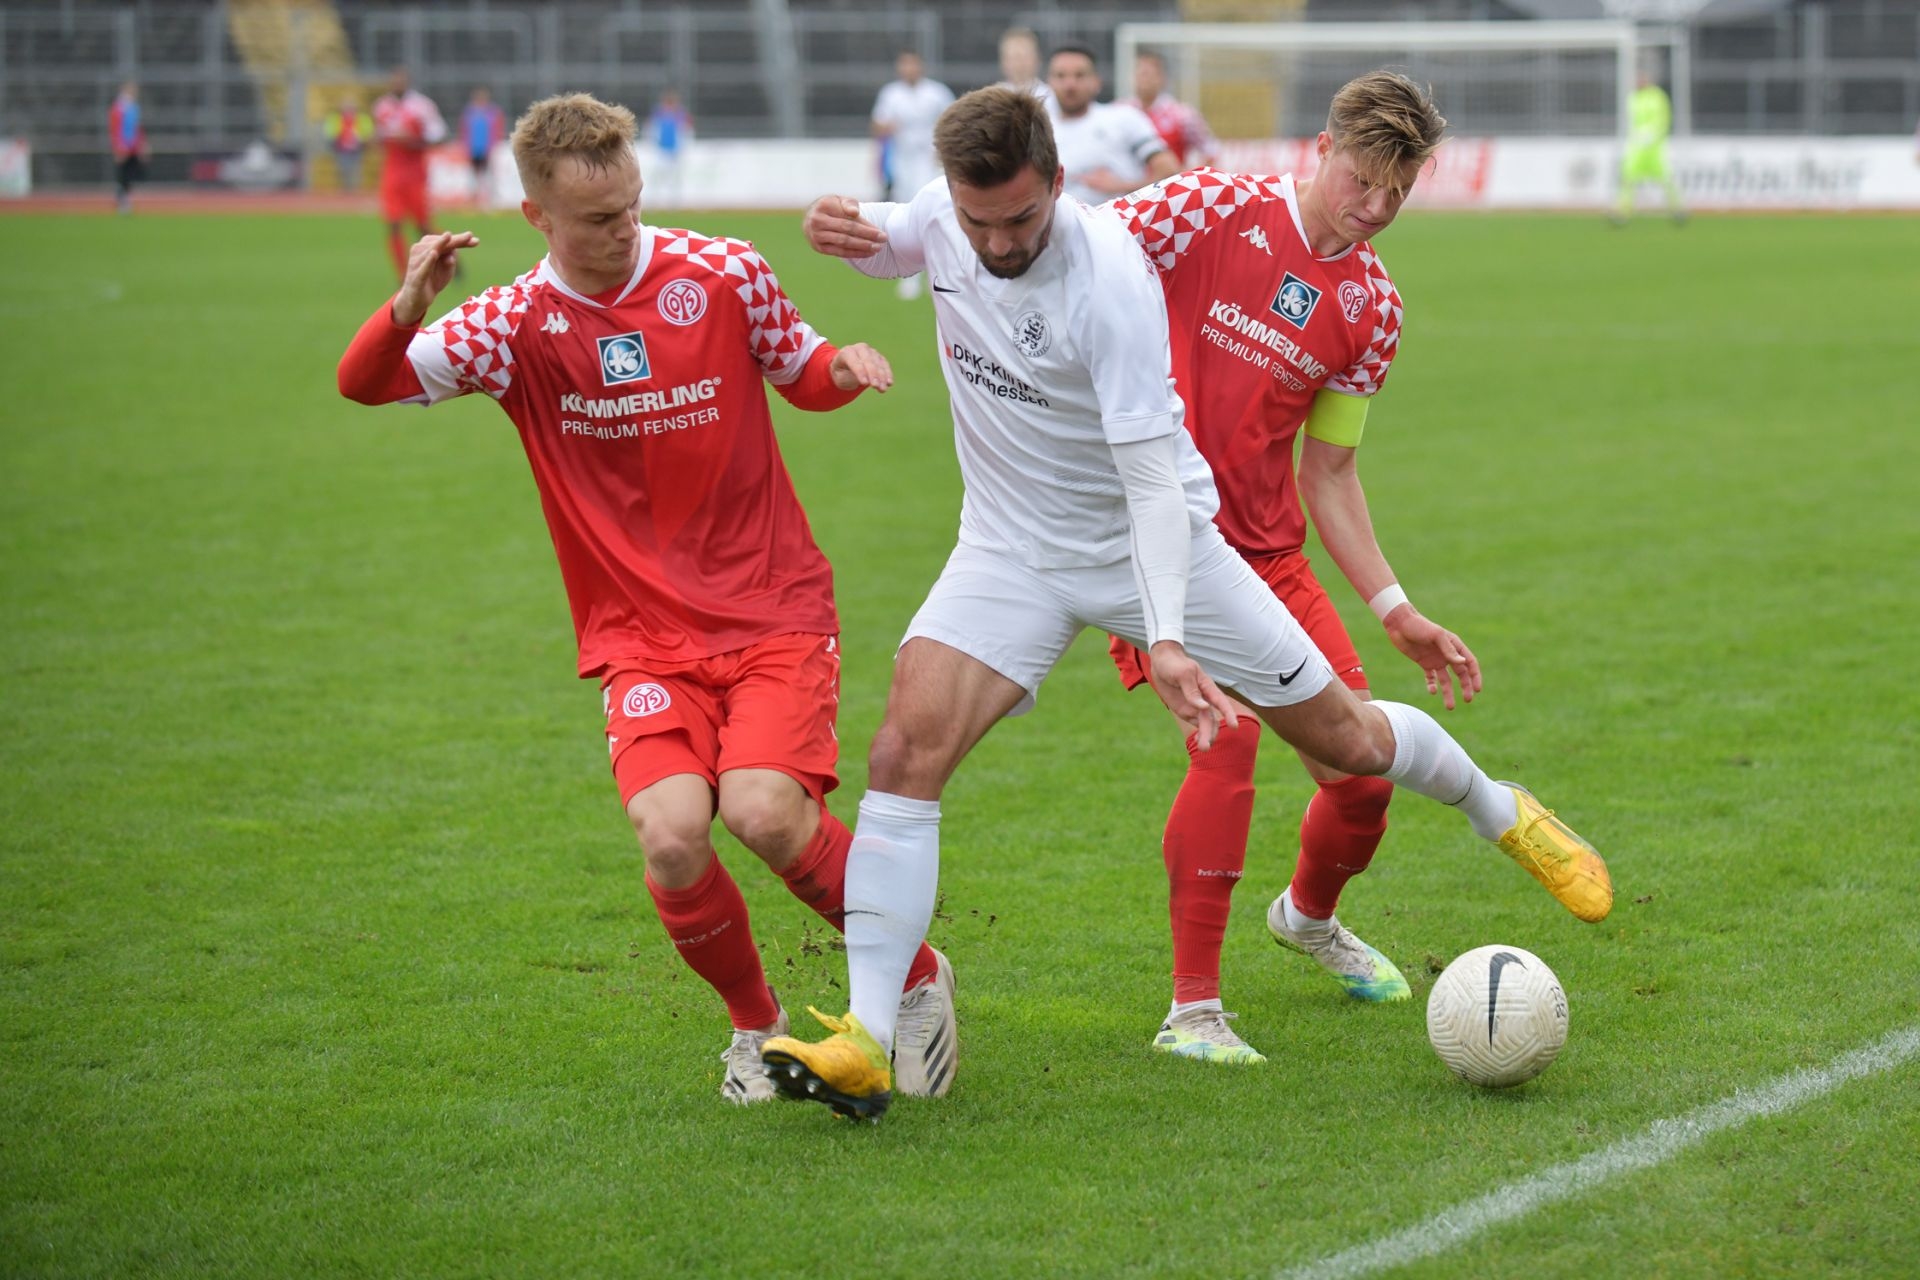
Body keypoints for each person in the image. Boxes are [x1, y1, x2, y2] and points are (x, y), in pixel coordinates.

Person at [762, 87, 1611, 1121]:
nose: (997, 242)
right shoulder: (976, 214)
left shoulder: (1116, 279)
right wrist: (847, 235)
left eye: (1020, 221)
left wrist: (1165, 634)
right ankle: (868, 1033)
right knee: (904, 754)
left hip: (1165, 542)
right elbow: (901, 239)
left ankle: (1498, 805)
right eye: (978, 220)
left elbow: (1163, 482)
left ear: (1060, 189)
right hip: (1009, 547)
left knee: (1345, 740)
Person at [334, 92, 957, 1107]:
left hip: (769, 607)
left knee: (763, 812)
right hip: (640, 637)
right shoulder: (509, 325)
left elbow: (799, 368)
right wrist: (408, 305)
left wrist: (843, 367)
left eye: (630, 204)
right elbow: (365, 384)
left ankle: (919, 974)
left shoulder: (720, 271)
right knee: (671, 835)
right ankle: (755, 1029)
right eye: (596, 217)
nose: (624, 226)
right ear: (538, 216)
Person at [1103, 72, 1610, 1067]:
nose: (1374, 208)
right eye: (1363, 181)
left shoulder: (1372, 307)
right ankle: (1192, 1011)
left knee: (1364, 775)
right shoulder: (1208, 204)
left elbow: (1330, 470)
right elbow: (1073, 260)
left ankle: (1305, 916)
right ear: (1323, 145)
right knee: (1228, 739)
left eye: (1398, 193)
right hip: (1149, 537)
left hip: (1268, 554)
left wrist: (1394, 605)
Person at [1046, 45, 1178, 205]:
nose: (1070, 84)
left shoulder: (1123, 117)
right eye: (1061, 76)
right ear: (1049, 82)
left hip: (1118, 226)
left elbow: (1169, 172)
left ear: (1096, 82)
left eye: (1079, 75)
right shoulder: (1037, 130)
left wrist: (1122, 187)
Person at [870, 51, 954, 300]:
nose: (909, 69)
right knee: (903, 215)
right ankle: (910, 275)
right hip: (902, 162)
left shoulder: (937, 93)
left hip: (929, 163)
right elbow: (877, 125)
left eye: (912, 64)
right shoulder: (891, 94)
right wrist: (886, 128)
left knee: (930, 213)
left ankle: (937, 271)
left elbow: (954, 119)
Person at [371, 68, 448, 279]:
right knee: (394, 224)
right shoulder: (382, 107)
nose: (397, 83)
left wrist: (414, 141)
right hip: (392, 171)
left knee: (423, 226)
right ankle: (403, 275)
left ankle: (450, 258)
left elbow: (439, 134)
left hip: (415, 172)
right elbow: (379, 136)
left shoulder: (421, 107)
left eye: (400, 80)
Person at [1123, 50, 1219, 169]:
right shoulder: (1120, 111)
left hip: (1168, 185)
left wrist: (1189, 178)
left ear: (1162, 78)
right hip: (1131, 187)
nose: (1144, 80)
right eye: (1140, 73)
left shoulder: (1182, 114)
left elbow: (1211, 150)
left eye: (1148, 74)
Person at [1614, 71, 1686, 226]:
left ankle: (1677, 210)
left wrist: (1653, 134)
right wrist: (1636, 138)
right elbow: (1631, 122)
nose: (1638, 82)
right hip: (1637, 149)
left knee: (1666, 178)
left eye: (1641, 79)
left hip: (1655, 148)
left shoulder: (1657, 96)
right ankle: (1623, 213)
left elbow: (1664, 118)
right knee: (1627, 178)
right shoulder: (1632, 98)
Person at [460, 86, 506, 211]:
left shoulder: (493, 112)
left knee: (489, 176)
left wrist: (495, 145)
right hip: (474, 149)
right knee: (474, 177)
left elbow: (498, 129)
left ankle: (490, 203)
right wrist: (465, 146)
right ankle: (473, 202)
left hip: (488, 149)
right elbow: (464, 131)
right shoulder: (469, 112)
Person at [646, 90, 693, 209]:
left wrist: (682, 148)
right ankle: (653, 201)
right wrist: (653, 144)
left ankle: (674, 202)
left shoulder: (680, 115)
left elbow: (686, 131)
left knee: (675, 177)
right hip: (661, 150)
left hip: (674, 151)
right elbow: (651, 130)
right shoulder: (658, 114)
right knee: (657, 176)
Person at [107, 81, 147, 214]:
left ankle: (124, 198)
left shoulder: (134, 107)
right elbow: (115, 129)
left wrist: (142, 144)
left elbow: (137, 128)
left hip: (133, 146)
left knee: (131, 173)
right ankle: (121, 200)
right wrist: (118, 147)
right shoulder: (118, 108)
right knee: (124, 174)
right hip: (124, 147)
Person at [324, 97, 372, 194]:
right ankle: (344, 189)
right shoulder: (336, 118)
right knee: (343, 169)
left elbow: (368, 131)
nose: (348, 109)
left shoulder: (362, 118)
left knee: (356, 169)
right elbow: (329, 131)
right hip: (342, 148)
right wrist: (334, 141)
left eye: (350, 107)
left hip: (357, 148)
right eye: (347, 107)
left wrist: (364, 140)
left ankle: (355, 189)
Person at [995, 28, 1052, 105]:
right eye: (1015, 57)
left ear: (1037, 59)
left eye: (1025, 56)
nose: (1020, 63)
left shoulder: (1050, 96)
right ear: (1004, 61)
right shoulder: (994, 97)